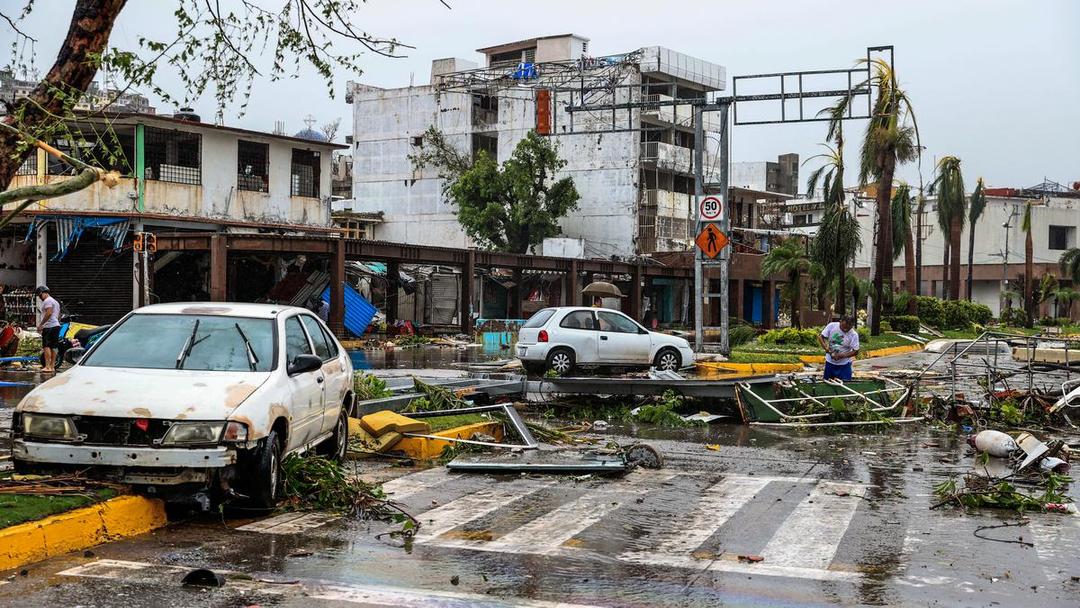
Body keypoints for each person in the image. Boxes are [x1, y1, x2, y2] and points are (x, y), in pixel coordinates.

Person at [817, 315, 860, 382]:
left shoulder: (854, 334)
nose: (846, 329)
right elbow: (821, 337)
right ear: (840, 321)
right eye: (844, 327)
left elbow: (856, 351)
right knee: (828, 384)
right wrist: (827, 349)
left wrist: (842, 355)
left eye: (849, 328)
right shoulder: (832, 326)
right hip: (830, 363)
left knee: (845, 385)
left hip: (844, 364)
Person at [35, 286, 61, 373]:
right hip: (56, 325)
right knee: (54, 346)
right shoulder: (55, 302)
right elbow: (58, 315)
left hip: (49, 326)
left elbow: (49, 312)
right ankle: (52, 366)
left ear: (44, 293)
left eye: (40, 295)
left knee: (46, 346)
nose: (39, 297)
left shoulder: (48, 301)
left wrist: (41, 325)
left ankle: (47, 366)